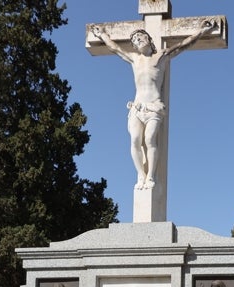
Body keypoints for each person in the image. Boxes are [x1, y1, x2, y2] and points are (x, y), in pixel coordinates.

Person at [91, 19, 217, 190]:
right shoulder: (134, 59)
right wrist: (103, 35)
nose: (137, 40)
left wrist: (201, 32)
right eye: (134, 40)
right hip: (137, 107)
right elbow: (116, 49)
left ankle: (150, 175)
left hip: (154, 107)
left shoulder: (161, 56)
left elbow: (182, 45)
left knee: (150, 139)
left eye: (140, 36)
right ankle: (141, 175)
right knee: (135, 140)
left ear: (149, 39)